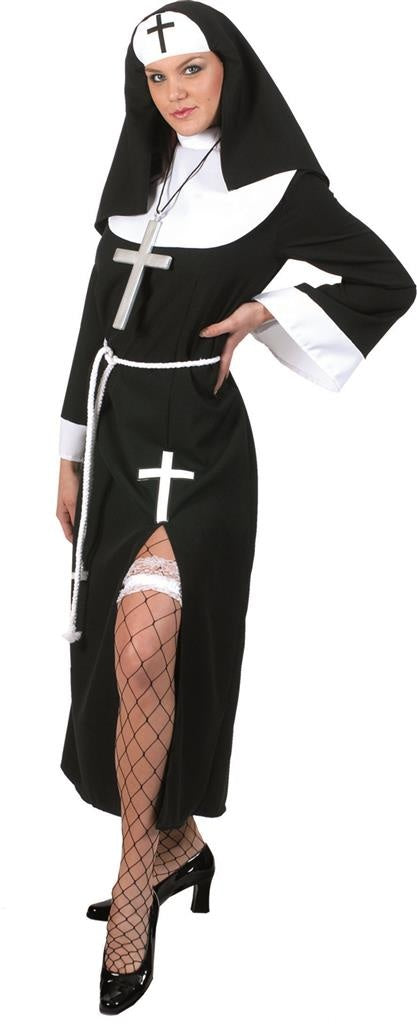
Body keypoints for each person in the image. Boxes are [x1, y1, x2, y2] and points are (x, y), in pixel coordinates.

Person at [55, 1, 416, 1012]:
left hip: (201, 439)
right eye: (156, 77)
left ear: (231, 71)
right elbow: (92, 322)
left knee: (149, 646)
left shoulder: (280, 189)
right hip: (118, 431)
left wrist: (268, 311)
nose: (174, 93)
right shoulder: (138, 174)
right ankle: (175, 843)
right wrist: (69, 452)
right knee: (119, 653)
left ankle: (135, 886)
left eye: (192, 70)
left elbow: (387, 279)